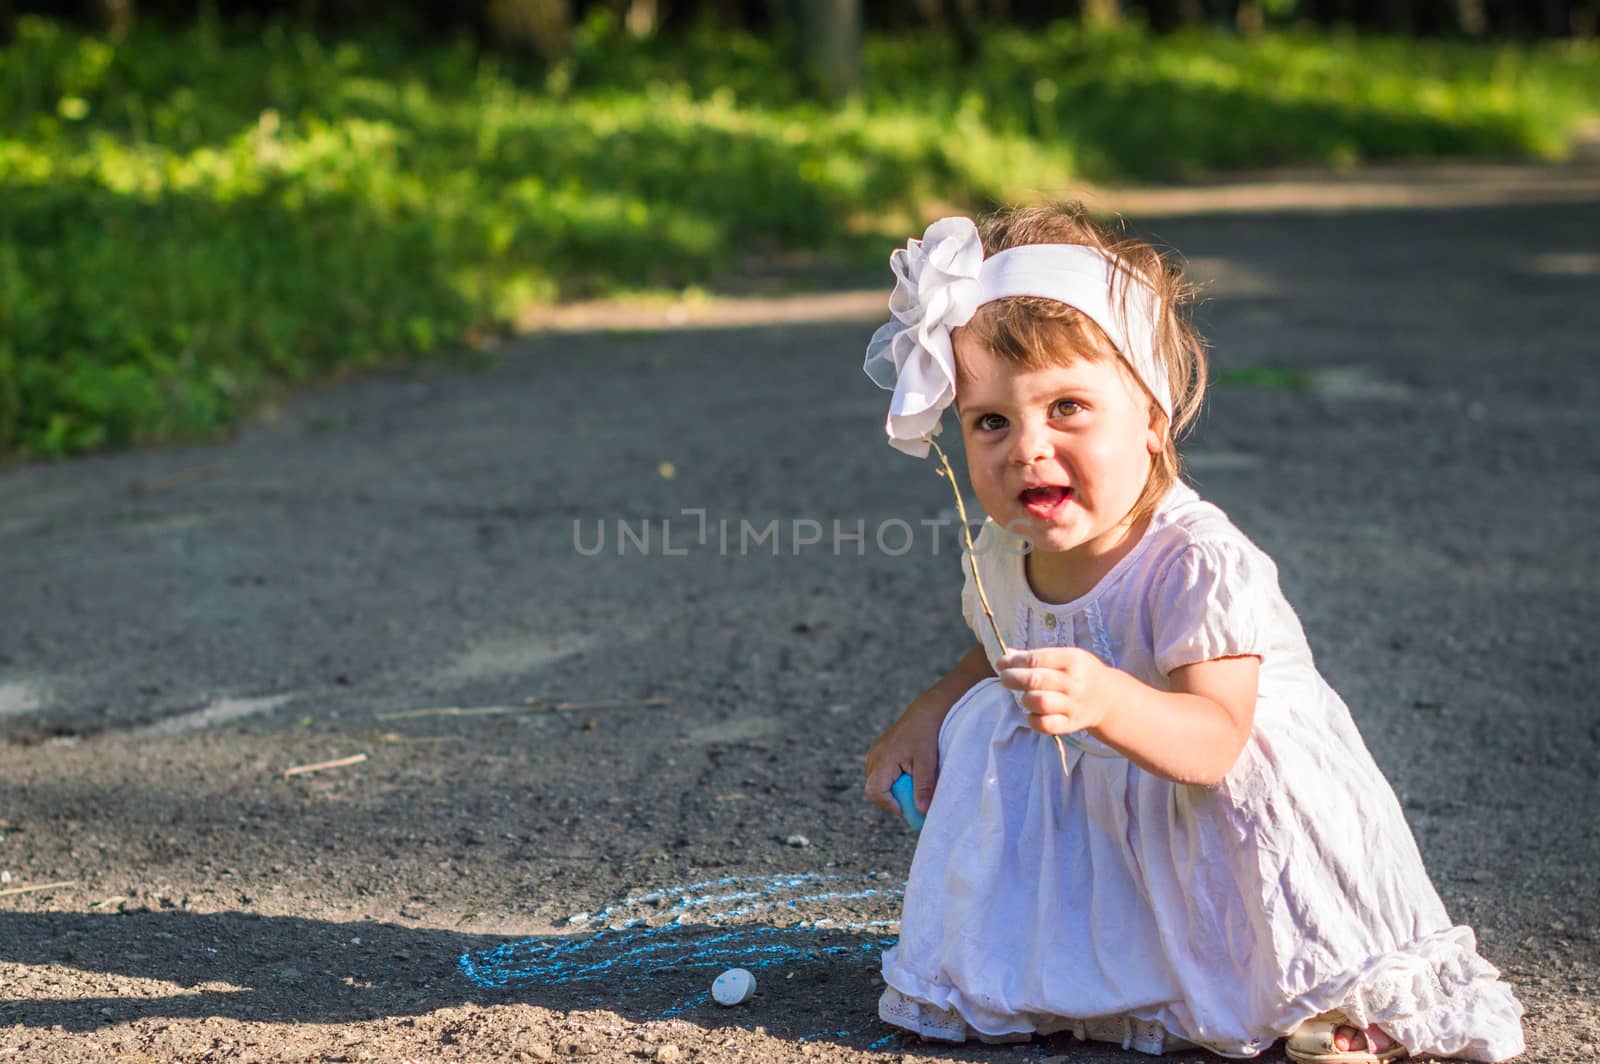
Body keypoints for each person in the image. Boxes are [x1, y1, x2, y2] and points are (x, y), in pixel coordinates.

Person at [859, 203, 1525, 1062]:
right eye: (991, 421)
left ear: (1151, 417)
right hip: (1114, 805)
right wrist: (930, 711)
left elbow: (1214, 745)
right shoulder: (1000, 550)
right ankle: (1090, 972)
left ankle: (1306, 992)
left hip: (1218, 807)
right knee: (988, 714)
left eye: (1067, 408)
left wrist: (1106, 696)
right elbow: (1004, 644)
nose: (1027, 448)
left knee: (1273, 952)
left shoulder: (1194, 562)